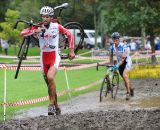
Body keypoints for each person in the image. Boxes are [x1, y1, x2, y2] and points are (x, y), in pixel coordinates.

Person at [21, 6, 75, 115]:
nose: (45, 18)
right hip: (43, 58)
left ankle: (50, 105)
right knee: (49, 84)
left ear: (51, 18)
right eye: (43, 16)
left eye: (47, 17)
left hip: (54, 56)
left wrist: (71, 50)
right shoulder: (38, 26)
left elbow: (69, 34)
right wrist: (35, 30)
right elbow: (22, 33)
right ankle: (56, 105)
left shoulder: (56, 26)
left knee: (50, 77)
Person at [109, 32, 134, 100]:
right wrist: (111, 65)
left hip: (127, 62)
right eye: (113, 39)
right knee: (124, 79)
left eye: (116, 39)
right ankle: (131, 89)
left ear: (119, 39)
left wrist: (117, 65)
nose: (115, 40)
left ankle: (128, 93)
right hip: (120, 64)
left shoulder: (124, 46)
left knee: (125, 75)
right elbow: (111, 57)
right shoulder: (112, 47)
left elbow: (123, 59)